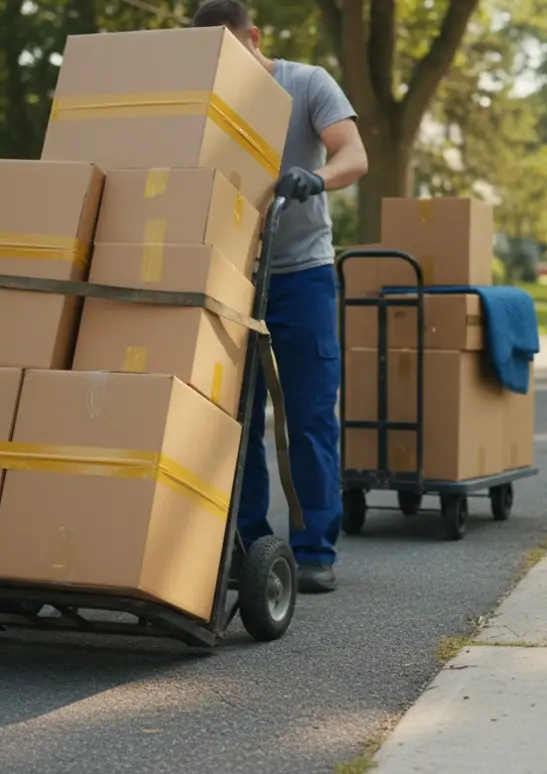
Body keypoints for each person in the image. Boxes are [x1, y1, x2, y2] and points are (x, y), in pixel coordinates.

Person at [192, 0, 368, 593]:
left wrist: (317, 177)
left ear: (255, 38)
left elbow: (354, 154)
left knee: (308, 416)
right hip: (234, 277)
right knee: (236, 418)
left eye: (230, 51)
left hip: (303, 276)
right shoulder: (210, 102)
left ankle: (315, 549)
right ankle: (249, 546)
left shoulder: (307, 83)